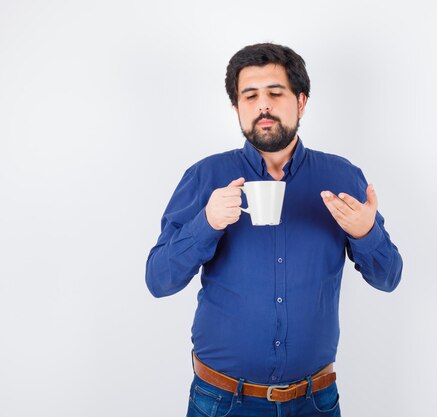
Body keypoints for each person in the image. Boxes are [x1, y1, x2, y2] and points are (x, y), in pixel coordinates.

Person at [145, 43, 403, 417]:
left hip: (315, 402)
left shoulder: (342, 176)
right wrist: (208, 223)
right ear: (237, 109)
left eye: (275, 93)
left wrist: (366, 234)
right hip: (220, 401)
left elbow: (389, 278)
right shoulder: (205, 176)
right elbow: (159, 280)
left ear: (301, 102)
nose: (262, 106)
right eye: (249, 96)